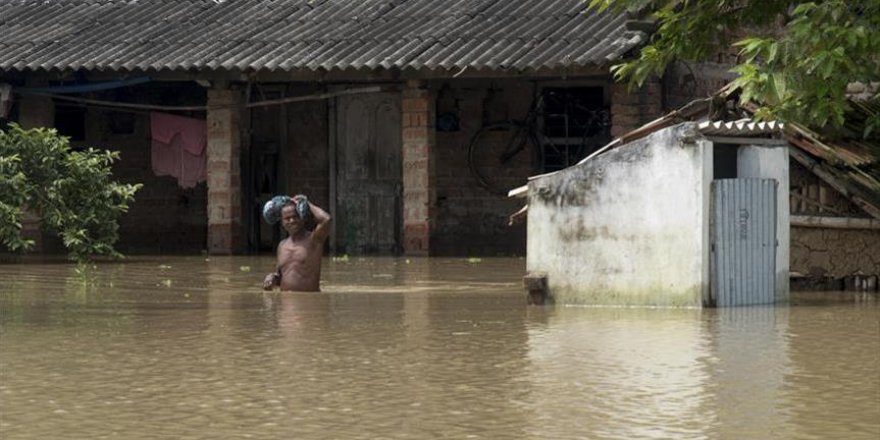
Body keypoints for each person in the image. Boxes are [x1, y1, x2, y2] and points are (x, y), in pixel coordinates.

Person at [262, 194, 332, 292]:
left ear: (302, 218)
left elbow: (326, 219)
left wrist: (306, 203)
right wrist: (272, 278)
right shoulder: (282, 246)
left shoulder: (314, 240)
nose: (292, 221)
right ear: (282, 222)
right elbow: (282, 276)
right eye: (287, 218)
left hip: (309, 302)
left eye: (295, 217)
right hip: (285, 302)